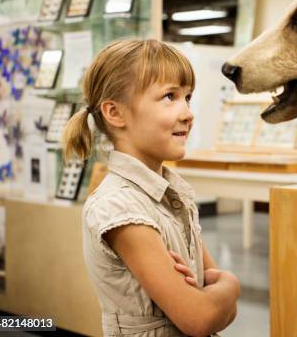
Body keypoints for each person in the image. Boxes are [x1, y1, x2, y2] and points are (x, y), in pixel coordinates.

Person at [62, 39, 239, 336]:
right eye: (170, 96)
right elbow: (200, 318)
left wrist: (217, 294)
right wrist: (231, 285)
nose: (187, 113)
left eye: (188, 97)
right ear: (115, 113)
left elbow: (217, 302)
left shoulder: (175, 194)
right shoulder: (120, 207)